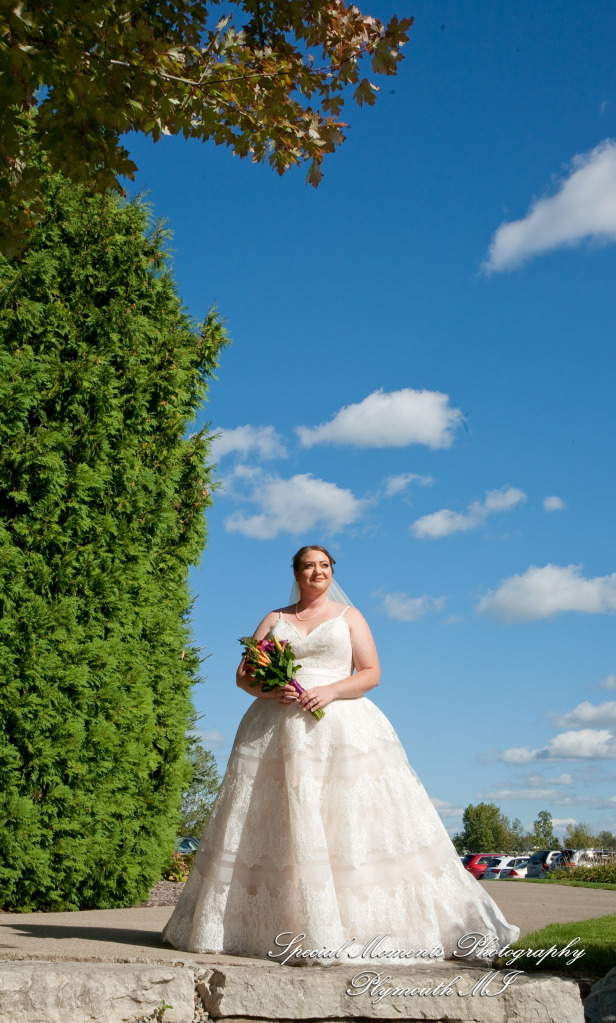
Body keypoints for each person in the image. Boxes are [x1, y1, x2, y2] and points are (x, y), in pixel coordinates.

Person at [162, 545, 519, 960]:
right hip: (274, 729)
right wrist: (268, 688)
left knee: (343, 819)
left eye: (325, 566)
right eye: (309, 566)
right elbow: (243, 675)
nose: (318, 572)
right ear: (296, 573)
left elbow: (371, 673)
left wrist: (330, 690)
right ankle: (270, 928)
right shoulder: (274, 619)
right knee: (277, 822)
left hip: (341, 727)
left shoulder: (350, 617)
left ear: (333, 572)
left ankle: (352, 927)